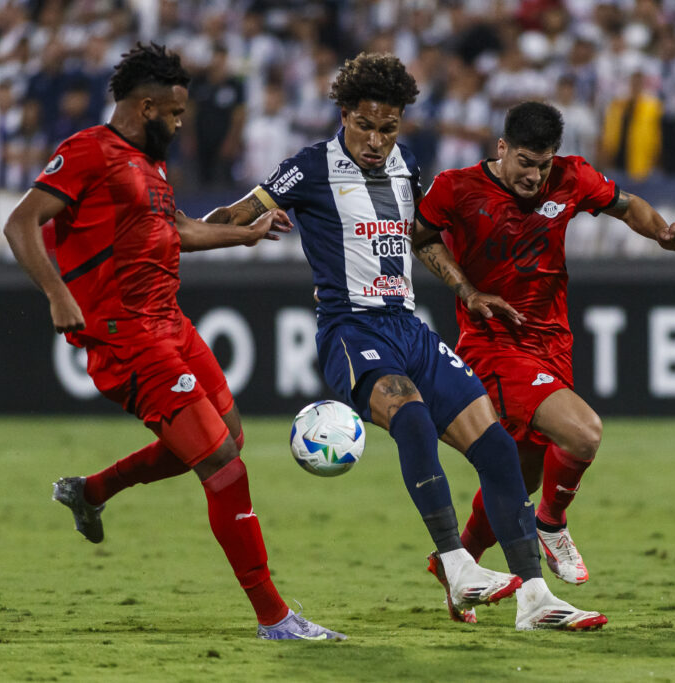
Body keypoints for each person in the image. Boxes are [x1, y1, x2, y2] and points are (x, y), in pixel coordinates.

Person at [204, 53, 605, 631]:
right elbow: (237, 210)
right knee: (413, 420)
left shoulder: (405, 166)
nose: (375, 140)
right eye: (365, 126)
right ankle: (456, 562)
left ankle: (536, 600)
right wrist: (235, 231)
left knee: (496, 449)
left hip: (409, 326)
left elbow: (420, 239)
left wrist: (465, 290)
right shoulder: (309, 167)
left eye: (388, 128)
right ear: (344, 115)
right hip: (351, 329)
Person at [2, 42, 345, 642]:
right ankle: (274, 617)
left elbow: (178, 229)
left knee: (229, 435)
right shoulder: (88, 152)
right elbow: (21, 222)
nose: (182, 123)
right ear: (146, 106)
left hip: (171, 323)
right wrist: (57, 294)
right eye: (176, 113)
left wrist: (244, 235)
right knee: (221, 463)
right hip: (127, 336)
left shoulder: (150, 163)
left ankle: (92, 491)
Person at [412, 101, 675, 590]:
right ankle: (551, 524)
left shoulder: (572, 177)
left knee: (521, 474)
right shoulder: (455, 187)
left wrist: (662, 233)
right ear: (502, 149)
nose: (535, 177)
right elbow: (421, 235)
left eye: (544, 165)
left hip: (552, 342)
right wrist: (467, 290)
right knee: (583, 433)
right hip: (493, 342)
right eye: (525, 162)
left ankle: (458, 563)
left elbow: (629, 207)